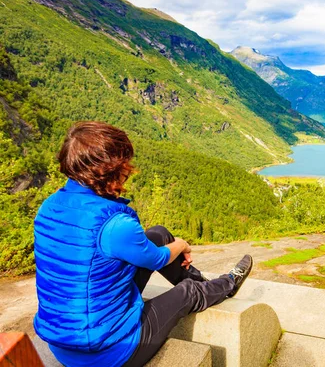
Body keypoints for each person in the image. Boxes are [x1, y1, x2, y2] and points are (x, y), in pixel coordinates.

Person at [33, 121, 253, 367]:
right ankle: (228, 283)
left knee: (157, 234)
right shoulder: (115, 225)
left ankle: (204, 284)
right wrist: (181, 244)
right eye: (124, 164)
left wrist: (172, 243)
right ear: (110, 169)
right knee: (187, 292)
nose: (128, 169)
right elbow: (157, 259)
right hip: (107, 352)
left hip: (63, 343)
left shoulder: (49, 207)